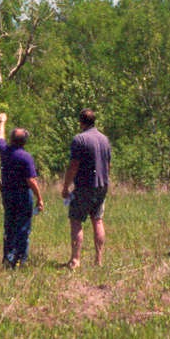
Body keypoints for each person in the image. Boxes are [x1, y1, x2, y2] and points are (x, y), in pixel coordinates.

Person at [61, 108, 111, 269]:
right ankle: (99, 260)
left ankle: (75, 259)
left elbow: (73, 166)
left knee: (76, 221)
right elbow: (109, 165)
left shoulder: (79, 139)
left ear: (81, 122)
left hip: (84, 186)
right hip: (102, 185)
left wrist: (65, 186)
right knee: (97, 220)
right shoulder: (105, 139)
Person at [0, 112, 43, 268]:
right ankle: (19, 261)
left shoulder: (4, 151)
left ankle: (8, 259)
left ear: (12, 140)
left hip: (7, 194)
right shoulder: (26, 157)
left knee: (9, 227)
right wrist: (40, 198)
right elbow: (31, 180)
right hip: (23, 195)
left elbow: (0, 137)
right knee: (23, 228)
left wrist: (2, 121)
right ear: (25, 142)